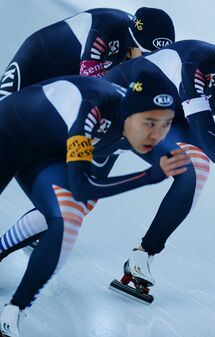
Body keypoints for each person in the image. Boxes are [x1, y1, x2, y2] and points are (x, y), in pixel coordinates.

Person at [0, 26, 215, 302]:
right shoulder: (193, 68)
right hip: (117, 112)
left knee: (194, 169)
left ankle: (143, 256)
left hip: (167, 119)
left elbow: (200, 138)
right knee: (79, 202)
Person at [0, 70, 189, 337]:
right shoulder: (92, 109)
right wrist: (147, 176)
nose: (157, 135)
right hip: (8, 132)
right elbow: (81, 187)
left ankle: (14, 311)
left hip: (47, 153)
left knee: (68, 217)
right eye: (149, 123)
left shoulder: (139, 122)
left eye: (166, 124)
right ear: (128, 115)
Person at [0, 7, 174, 98]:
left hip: (68, 72)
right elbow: (91, 82)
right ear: (133, 42)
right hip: (37, 59)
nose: (148, 61)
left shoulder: (134, 49)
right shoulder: (106, 24)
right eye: (146, 54)